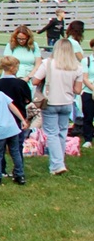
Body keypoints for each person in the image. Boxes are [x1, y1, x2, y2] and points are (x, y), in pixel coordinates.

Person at [32, 38, 85, 177]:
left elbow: (35, 80)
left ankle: (57, 164)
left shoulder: (48, 63)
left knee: (52, 133)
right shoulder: (77, 67)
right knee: (62, 132)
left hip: (50, 102)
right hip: (67, 102)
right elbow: (78, 90)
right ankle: (59, 161)